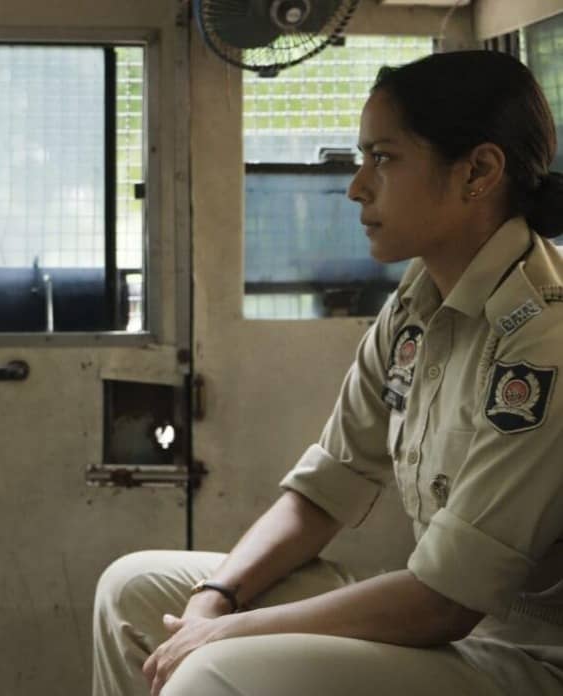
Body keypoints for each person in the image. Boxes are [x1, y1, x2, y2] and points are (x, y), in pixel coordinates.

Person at [92, 50, 563, 696]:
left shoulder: (542, 342)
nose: (356, 187)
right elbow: (325, 489)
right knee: (134, 590)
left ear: (477, 171)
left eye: (384, 158)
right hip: (452, 630)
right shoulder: (417, 304)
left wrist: (225, 635)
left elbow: (442, 603)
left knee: (211, 670)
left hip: (524, 659)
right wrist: (213, 599)